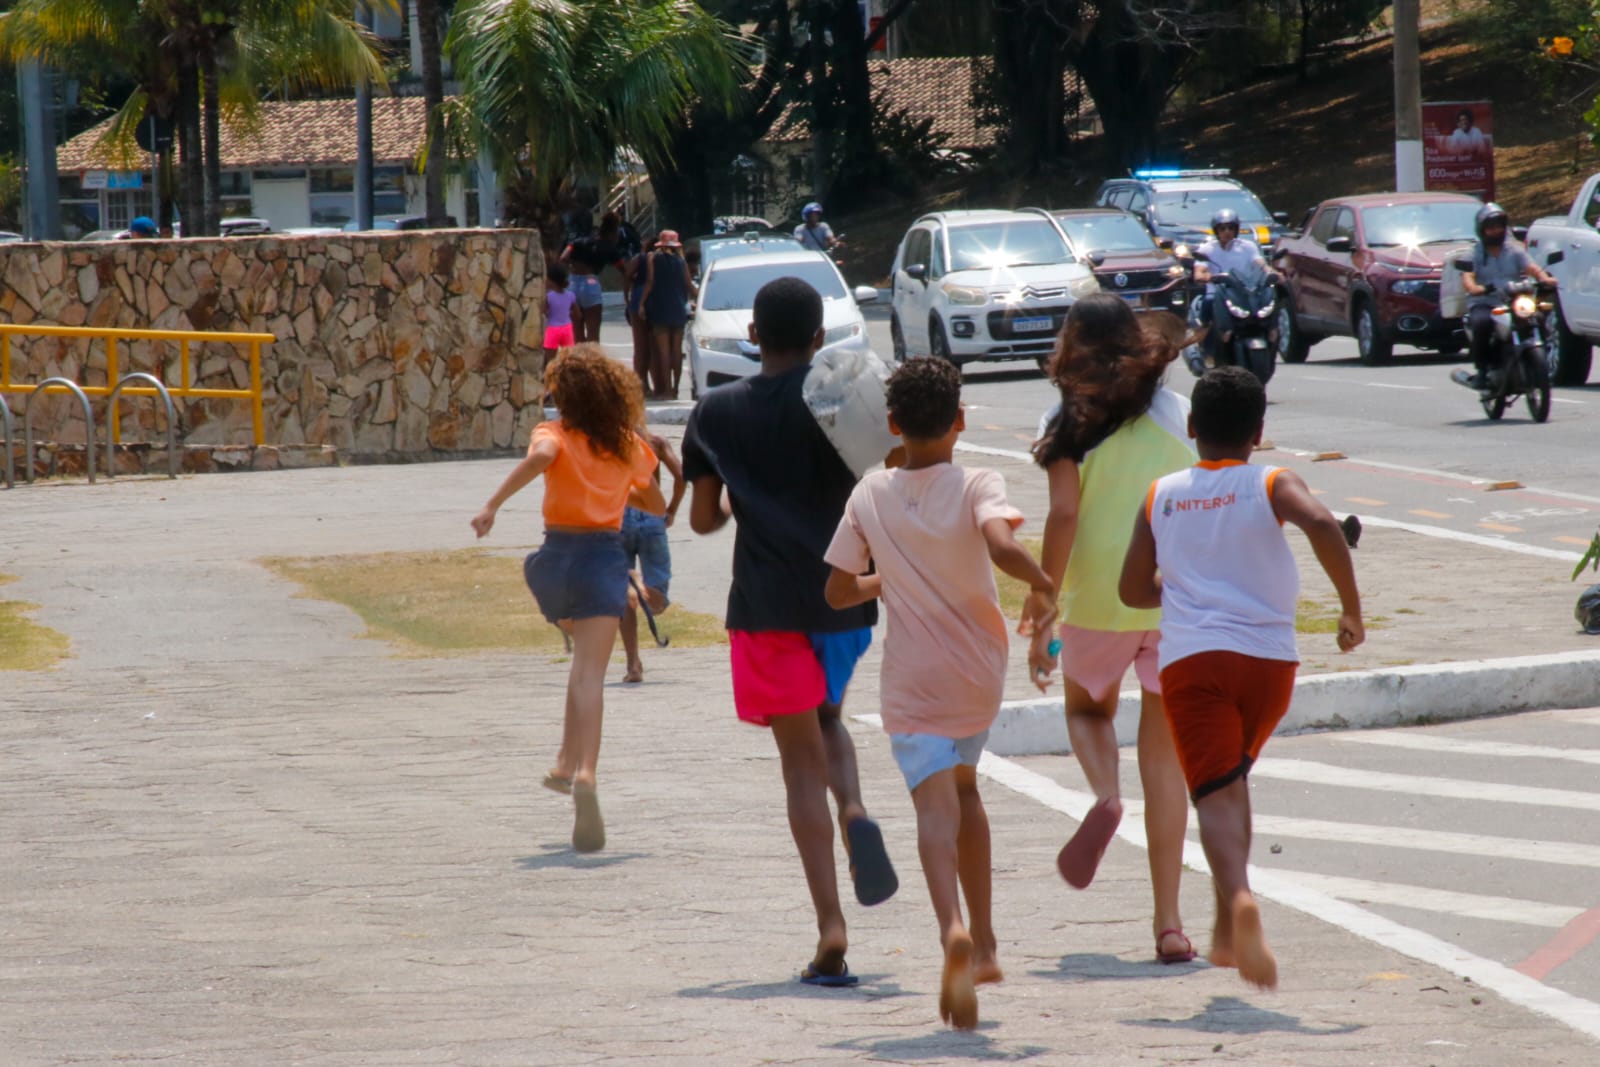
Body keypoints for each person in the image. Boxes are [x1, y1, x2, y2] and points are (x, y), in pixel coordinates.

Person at [682, 275, 900, 989]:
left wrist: (735, 501)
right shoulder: (840, 402)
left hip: (767, 606)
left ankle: (830, 925)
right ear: (817, 338)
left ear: (752, 334)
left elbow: (704, 519)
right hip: (845, 601)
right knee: (831, 720)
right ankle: (858, 806)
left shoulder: (715, 414)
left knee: (797, 763)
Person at [824, 357, 1055, 1030]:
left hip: (913, 681)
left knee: (933, 808)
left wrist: (886, 577)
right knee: (966, 789)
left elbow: (837, 589)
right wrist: (1043, 584)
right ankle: (983, 940)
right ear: (959, 421)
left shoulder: (869, 491)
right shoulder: (978, 479)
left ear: (893, 425)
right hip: (977, 674)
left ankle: (951, 927)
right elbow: (1000, 545)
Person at [1118, 366, 1364, 990]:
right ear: (1259, 432)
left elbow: (1129, 589)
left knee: (1216, 795)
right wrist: (1350, 609)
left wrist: (1181, 585)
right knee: (1231, 781)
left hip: (1194, 664)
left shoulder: (1160, 494)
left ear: (1192, 428)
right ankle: (1229, 923)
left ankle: (1239, 902)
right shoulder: (1272, 481)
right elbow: (1323, 524)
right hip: (1269, 665)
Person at [1027, 294, 1198, 966]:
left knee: (1086, 708)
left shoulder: (1065, 420)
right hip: (1167, 597)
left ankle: (1104, 793)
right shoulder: (1176, 417)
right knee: (1167, 764)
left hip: (1097, 598)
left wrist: (1042, 606)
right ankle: (1169, 922)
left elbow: (1064, 515)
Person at [470, 345, 665, 853]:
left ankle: (562, 762)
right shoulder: (627, 445)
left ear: (564, 395)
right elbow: (656, 503)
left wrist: (492, 505)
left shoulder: (552, 433)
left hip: (555, 563)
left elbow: (541, 458)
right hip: (602, 560)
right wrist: (631, 487)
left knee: (578, 663)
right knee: (590, 675)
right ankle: (586, 774)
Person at [1455, 203, 1558, 391]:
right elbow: (1468, 278)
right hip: (1485, 303)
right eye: (1491, 227)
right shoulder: (1474, 253)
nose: (1496, 231)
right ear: (1482, 230)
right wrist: (1476, 288)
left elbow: (1531, 267)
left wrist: (1544, 278)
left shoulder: (1514, 250)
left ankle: (1540, 361)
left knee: (1540, 315)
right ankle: (1483, 371)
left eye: (1499, 226)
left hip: (1514, 300)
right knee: (1481, 323)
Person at [619, 426, 684, 684]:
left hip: (619, 513)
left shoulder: (608, 441)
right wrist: (672, 509)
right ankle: (642, 590)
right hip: (651, 514)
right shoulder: (654, 441)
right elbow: (680, 475)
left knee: (623, 596)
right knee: (657, 600)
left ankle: (633, 665)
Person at [1192, 209, 1268, 364]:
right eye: (1222, 228)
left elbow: (1260, 263)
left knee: (1266, 306)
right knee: (1208, 303)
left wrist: (1270, 272)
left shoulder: (1248, 247)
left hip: (1244, 293)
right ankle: (1207, 351)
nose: (1227, 232)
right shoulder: (1207, 249)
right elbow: (1199, 271)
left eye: (1231, 228)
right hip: (1217, 293)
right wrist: (1206, 276)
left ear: (1236, 229)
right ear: (1216, 230)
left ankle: (1271, 336)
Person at [638, 230, 697, 400]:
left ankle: (666, 389)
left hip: (659, 308)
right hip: (678, 309)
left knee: (663, 351)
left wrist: (641, 303)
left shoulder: (652, 258)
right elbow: (689, 285)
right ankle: (676, 388)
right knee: (676, 351)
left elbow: (649, 282)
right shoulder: (681, 261)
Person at [561, 211, 629, 344]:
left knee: (576, 334)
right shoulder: (609, 248)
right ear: (612, 233)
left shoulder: (578, 242)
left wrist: (572, 268)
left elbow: (563, 258)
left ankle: (578, 363)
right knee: (593, 335)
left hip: (572, 283)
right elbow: (624, 270)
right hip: (591, 282)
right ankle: (591, 362)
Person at [623, 237, 658, 393]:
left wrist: (626, 295)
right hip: (657, 298)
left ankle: (641, 383)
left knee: (640, 345)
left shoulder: (640, 258)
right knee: (654, 346)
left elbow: (627, 275)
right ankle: (657, 384)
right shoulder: (663, 259)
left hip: (638, 298)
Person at [543, 263, 578, 363]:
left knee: (550, 360)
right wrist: (567, 313)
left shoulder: (548, 296)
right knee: (568, 358)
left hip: (552, 329)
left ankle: (550, 377)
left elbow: (544, 312)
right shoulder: (571, 295)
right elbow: (578, 315)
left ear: (550, 281)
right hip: (567, 328)